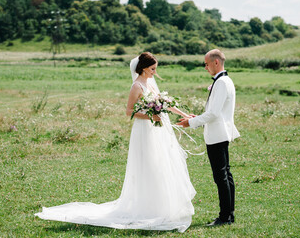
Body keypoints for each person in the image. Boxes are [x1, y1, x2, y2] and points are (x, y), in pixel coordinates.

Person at [35, 52, 196, 233]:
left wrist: (184, 115)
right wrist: (151, 115)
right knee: (147, 165)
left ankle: (160, 205)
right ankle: (145, 207)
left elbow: (166, 103)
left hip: (156, 130)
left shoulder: (150, 83)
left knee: (159, 164)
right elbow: (129, 112)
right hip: (144, 130)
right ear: (143, 68)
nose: (154, 72)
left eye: (155, 69)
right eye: (152, 69)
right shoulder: (136, 86)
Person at [177, 49, 240, 227]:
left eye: (206, 64)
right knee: (226, 175)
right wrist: (194, 118)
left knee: (221, 177)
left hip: (217, 135)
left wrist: (191, 123)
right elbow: (214, 111)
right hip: (221, 133)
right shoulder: (226, 80)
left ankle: (224, 217)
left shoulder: (221, 83)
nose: (205, 67)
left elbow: (213, 113)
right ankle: (229, 214)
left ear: (216, 63)